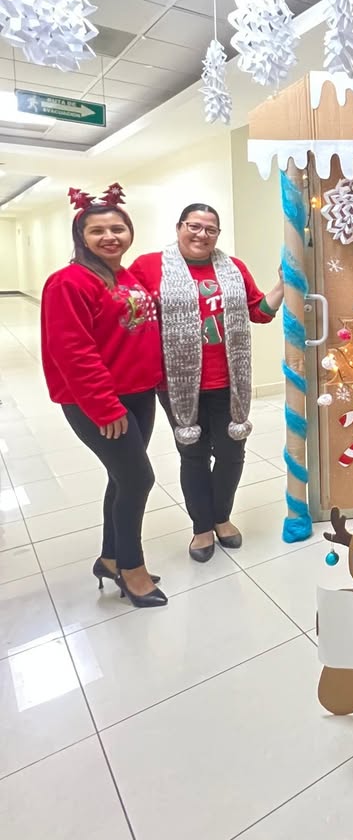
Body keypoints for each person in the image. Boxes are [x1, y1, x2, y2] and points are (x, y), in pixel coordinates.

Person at [130, 204, 283, 562]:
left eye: (210, 229)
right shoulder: (148, 266)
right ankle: (202, 527)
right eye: (194, 226)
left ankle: (221, 517)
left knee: (232, 453)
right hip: (178, 385)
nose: (201, 235)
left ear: (218, 234)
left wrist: (282, 284)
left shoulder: (233, 268)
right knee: (194, 455)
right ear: (179, 227)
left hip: (230, 380)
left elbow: (258, 311)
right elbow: (133, 317)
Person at [41, 187, 167, 607]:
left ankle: (110, 558)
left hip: (138, 394)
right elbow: (72, 352)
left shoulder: (126, 276)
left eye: (118, 228)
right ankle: (131, 569)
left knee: (122, 477)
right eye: (98, 231)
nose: (110, 237)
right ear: (81, 237)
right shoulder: (68, 282)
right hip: (99, 401)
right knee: (138, 479)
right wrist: (104, 407)